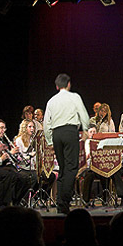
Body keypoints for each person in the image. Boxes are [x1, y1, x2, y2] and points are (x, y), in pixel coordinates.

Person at [43, 74, 91, 214]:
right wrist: (86, 129)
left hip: (57, 134)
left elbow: (46, 123)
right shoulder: (74, 97)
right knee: (72, 167)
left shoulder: (51, 101)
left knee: (62, 168)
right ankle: (64, 199)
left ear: (57, 86)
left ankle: (60, 203)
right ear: (69, 84)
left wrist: (50, 140)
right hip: (70, 131)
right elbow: (84, 115)